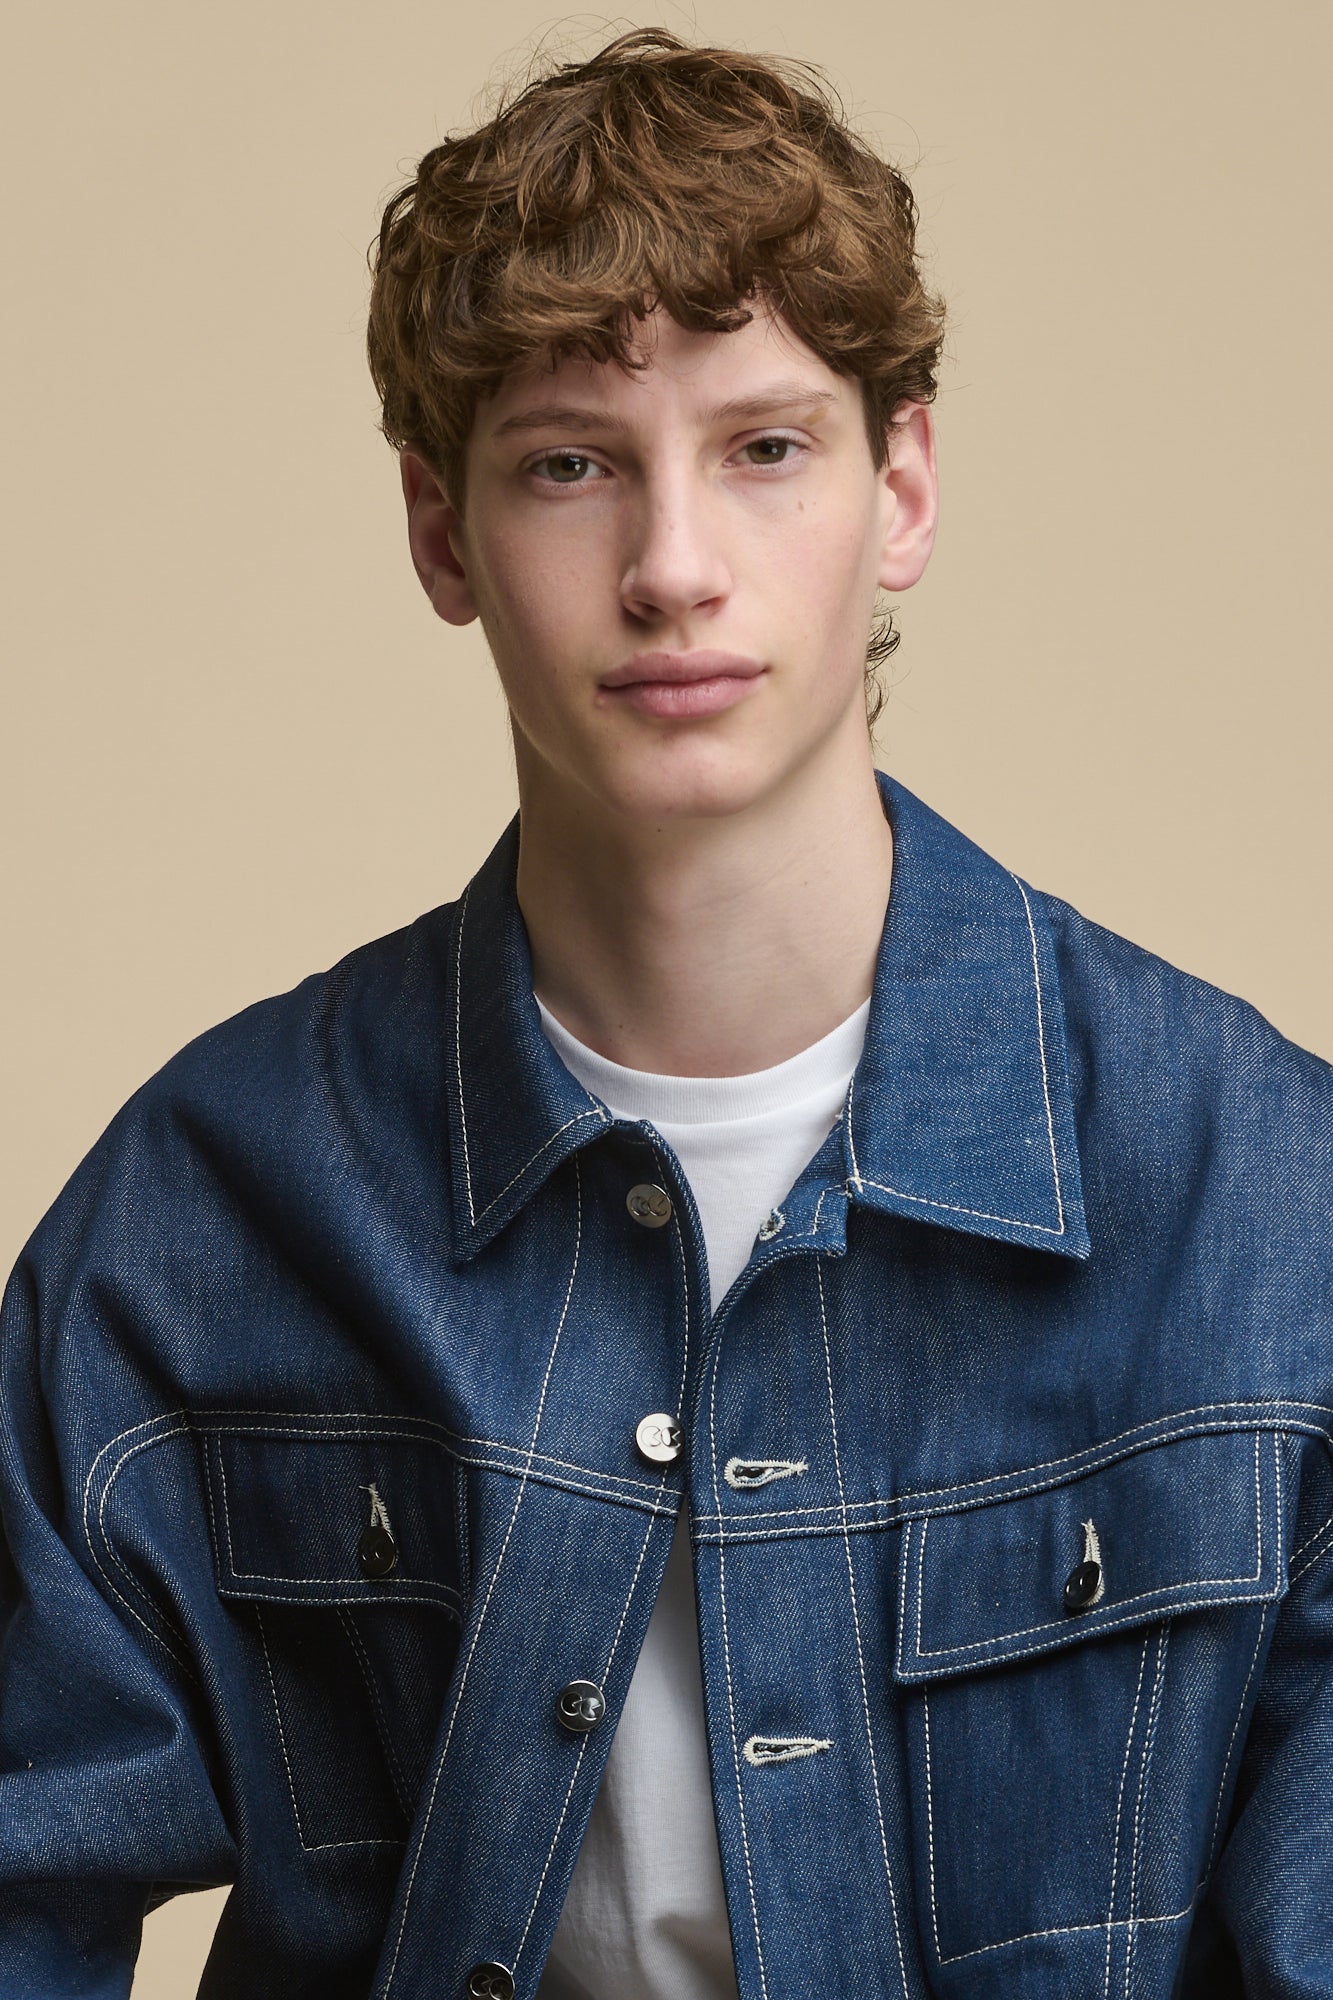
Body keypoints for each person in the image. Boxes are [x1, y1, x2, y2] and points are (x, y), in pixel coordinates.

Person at [1, 24, 1330, 1999]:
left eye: (764, 446)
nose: (673, 568)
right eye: (569, 466)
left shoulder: (1253, 1198)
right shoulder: (213, 1209)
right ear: (442, 532)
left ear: (903, 486)